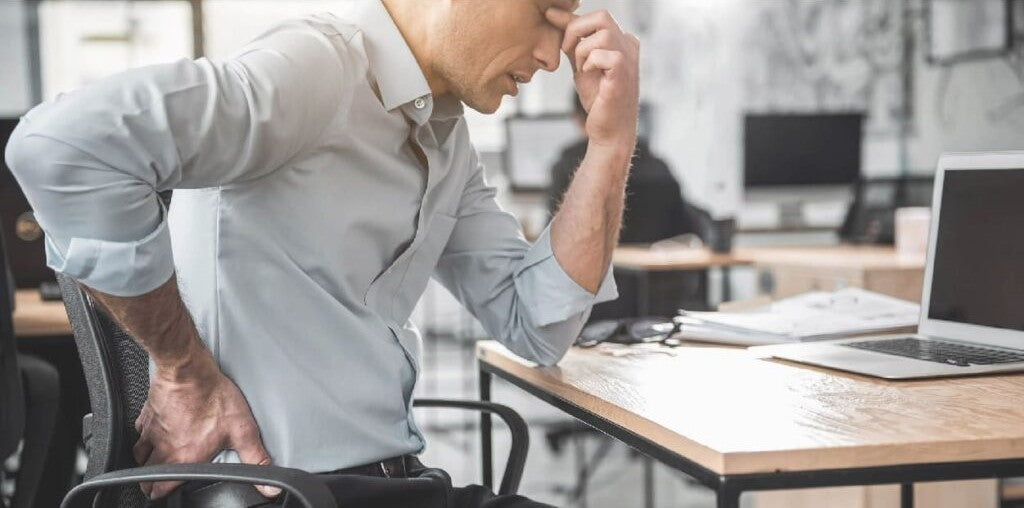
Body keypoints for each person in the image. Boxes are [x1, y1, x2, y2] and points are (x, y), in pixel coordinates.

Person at [5, 1, 638, 506]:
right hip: (284, 490)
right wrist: (180, 368)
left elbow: (537, 323)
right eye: (543, 12)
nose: (552, 56)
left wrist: (610, 142)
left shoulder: (446, 140)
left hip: (387, 483)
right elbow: (58, 146)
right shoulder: (316, 68)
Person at [548, 94, 711, 318]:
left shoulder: (569, 164)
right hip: (660, 301)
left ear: (577, 118)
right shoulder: (655, 163)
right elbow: (688, 226)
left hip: (595, 303)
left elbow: (554, 239)